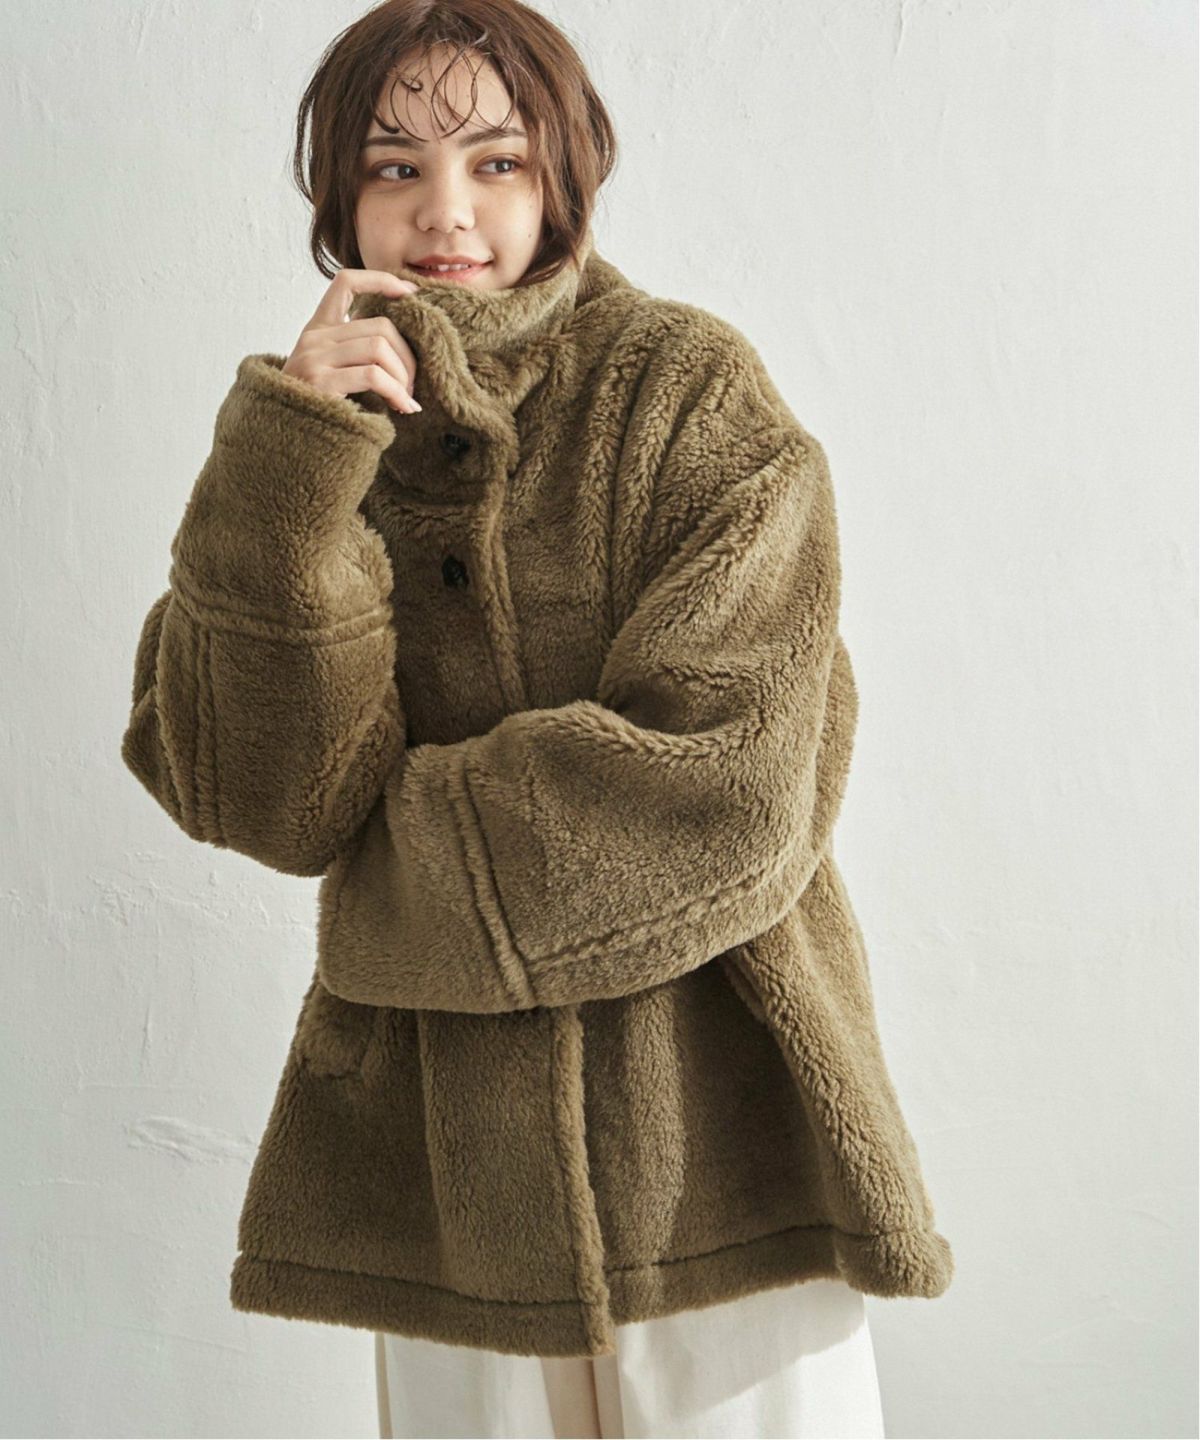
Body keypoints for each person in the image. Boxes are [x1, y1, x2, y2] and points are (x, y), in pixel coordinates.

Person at [120, 2, 953, 1436]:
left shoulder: (687, 393)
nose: (445, 210)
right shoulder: (316, 438)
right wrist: (290, 468)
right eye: (393, 167)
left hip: (724, 1139)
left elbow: (730, 784)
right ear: (339, 201)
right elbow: (257, 796)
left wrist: (390, 883)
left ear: (562, 176)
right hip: (454, 1174)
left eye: (495, 162)